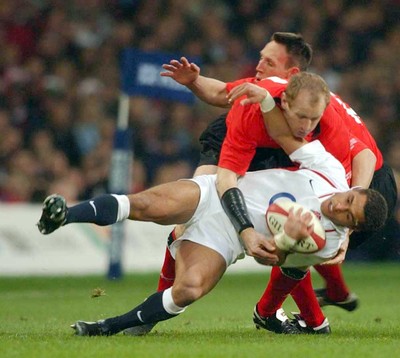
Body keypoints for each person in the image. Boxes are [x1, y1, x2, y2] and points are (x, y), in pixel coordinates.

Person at [37, 91, 388, 335]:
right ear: (352, 188)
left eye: (346, 215)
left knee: (190, 289)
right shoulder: (329, 169)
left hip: (227, 239)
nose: (338, 206)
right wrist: (267, 102)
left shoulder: (327, 243)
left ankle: (109, 326)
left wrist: (287, 238)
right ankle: (63, 215)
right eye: (348, 199)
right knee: (147, 204)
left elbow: (271, 258)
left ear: (350, 227)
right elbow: (285, 137)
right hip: (216, 194)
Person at [158, 34, 397, 333]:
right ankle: (306, 307)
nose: (258, 66)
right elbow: (221, 93)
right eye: (260, 57)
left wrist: (348, 224)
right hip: (252, 140)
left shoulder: (318, 119)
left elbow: (360, 153)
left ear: (291, 76)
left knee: (298, 237)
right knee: (193, 217)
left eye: (268, 62)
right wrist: (193, 81)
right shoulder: (259, 100)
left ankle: (294, 314)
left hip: (368, 185)